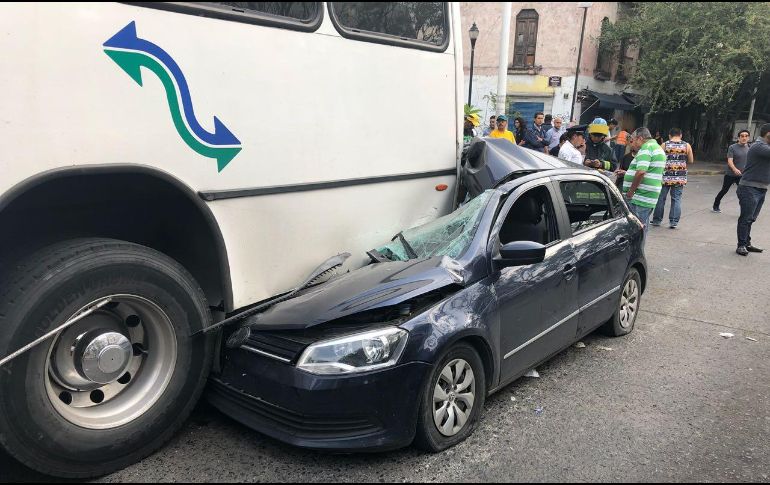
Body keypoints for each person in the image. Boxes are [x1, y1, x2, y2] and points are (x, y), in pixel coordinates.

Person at [623, 127, 666, 238]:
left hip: (640, 196)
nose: (633, 144)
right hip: (647, 195)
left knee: (636, 229)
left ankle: (637, 254)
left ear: (640, 138)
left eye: (633, 140)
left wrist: (630, 192)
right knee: (642, 227)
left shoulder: (646, 148)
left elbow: (641, 172)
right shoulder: (656, 147)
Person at [735, 123, 770, 256]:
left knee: (751, 219)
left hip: (760, 188)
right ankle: (741, 245)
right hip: (749, 188)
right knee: (746, 218)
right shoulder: (759, 146)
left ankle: (746, 243)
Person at [651, 128, 694, 228]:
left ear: (670, 135)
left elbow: (658, 159)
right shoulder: (686, 145)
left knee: (661, 198)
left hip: (665, 176)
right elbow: (691, 160)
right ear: (681, 135)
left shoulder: (664, 145)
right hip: (679, 177)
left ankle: (657, 220)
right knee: (676, 199)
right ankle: (673, 222)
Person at [713, 129, 751, 212]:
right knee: (724, 190)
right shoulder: (732, 147)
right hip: (730, 174)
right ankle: (716, 205)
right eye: (742, 136)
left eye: (746, 136)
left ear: (748, 138)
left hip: (742, 175)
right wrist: (735, 169)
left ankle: (744, 211)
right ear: (738, 138)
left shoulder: (750, 148)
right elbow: (730, 160)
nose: (744, 138)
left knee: (743, 193)